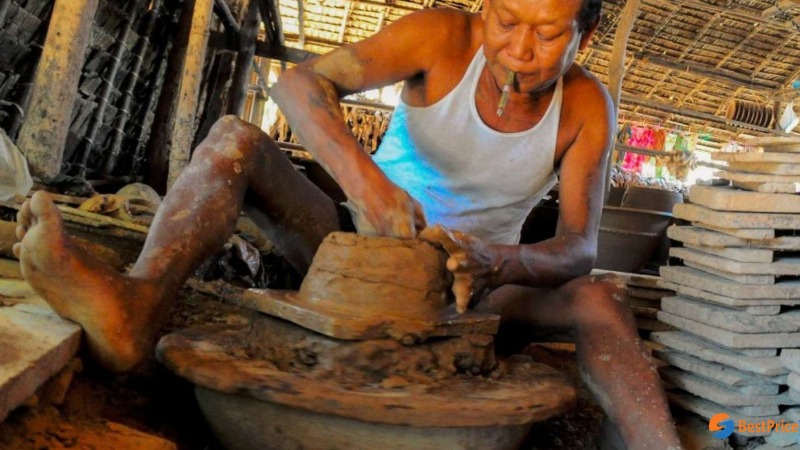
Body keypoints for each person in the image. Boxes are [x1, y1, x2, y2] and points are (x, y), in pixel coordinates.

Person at [14, 0, 682, 447]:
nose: (521, 48)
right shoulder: (441, 36)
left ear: (583, 36)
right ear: (486, 8)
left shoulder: (588, 107)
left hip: (474, 289)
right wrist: (369, 188)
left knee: (601, 300)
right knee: (233, 140)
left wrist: (494, 261)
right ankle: (134, 308)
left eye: (549, 31)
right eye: (507, 19)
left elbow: (579, 246)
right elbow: (299, 86)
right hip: (347, 249)